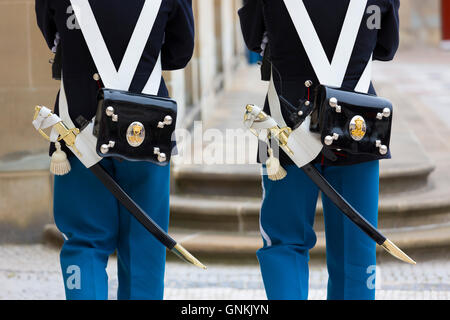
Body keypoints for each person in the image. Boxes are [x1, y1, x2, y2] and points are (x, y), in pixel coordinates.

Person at [239, 0, 400, 300]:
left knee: (284, 244)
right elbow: (386, 48)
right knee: (357, 250)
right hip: (356, 125)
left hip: (285, 122)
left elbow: (253, 39)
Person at [35, 0, 194, 300]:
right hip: (145, 129)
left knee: (85, 243)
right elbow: (179, 52)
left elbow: (51, 33)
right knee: (144, 247)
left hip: (79, 128)